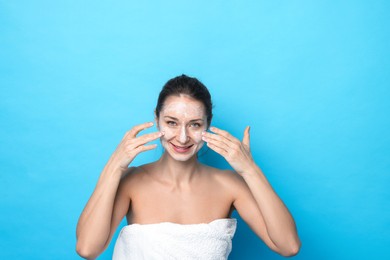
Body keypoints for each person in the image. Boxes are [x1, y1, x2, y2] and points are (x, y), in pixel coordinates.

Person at [76, 74, 301, 259]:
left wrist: (250, 170)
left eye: (194, 124)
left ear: (207, 125)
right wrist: (115, 164)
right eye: (171, 123)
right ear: (157, 119)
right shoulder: (131, 182)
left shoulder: (230, 185)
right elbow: (88, 249)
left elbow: (288, 246)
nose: (182, 138)